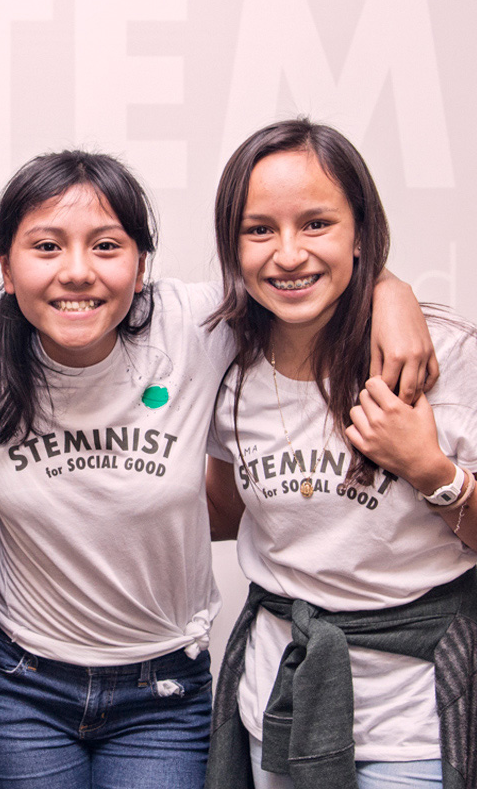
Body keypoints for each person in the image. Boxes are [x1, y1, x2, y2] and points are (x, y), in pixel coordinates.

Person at [0, 149, 434, 789]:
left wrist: (387, 289)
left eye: (106, 246)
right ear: (6, 270)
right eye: (46, 247)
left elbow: (296, 275)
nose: (77, 270)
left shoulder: (193, 329)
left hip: (162, 697)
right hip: (24, 690)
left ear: (141, 266)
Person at [204, 119, 476, 789]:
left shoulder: (442, 353)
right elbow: (225, 508)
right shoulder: (224, 357)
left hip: (411, 724)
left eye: (317, 224)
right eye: (259, 229)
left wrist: (430, 470)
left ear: (361, 231)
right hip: (277, 706)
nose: (288, 254)